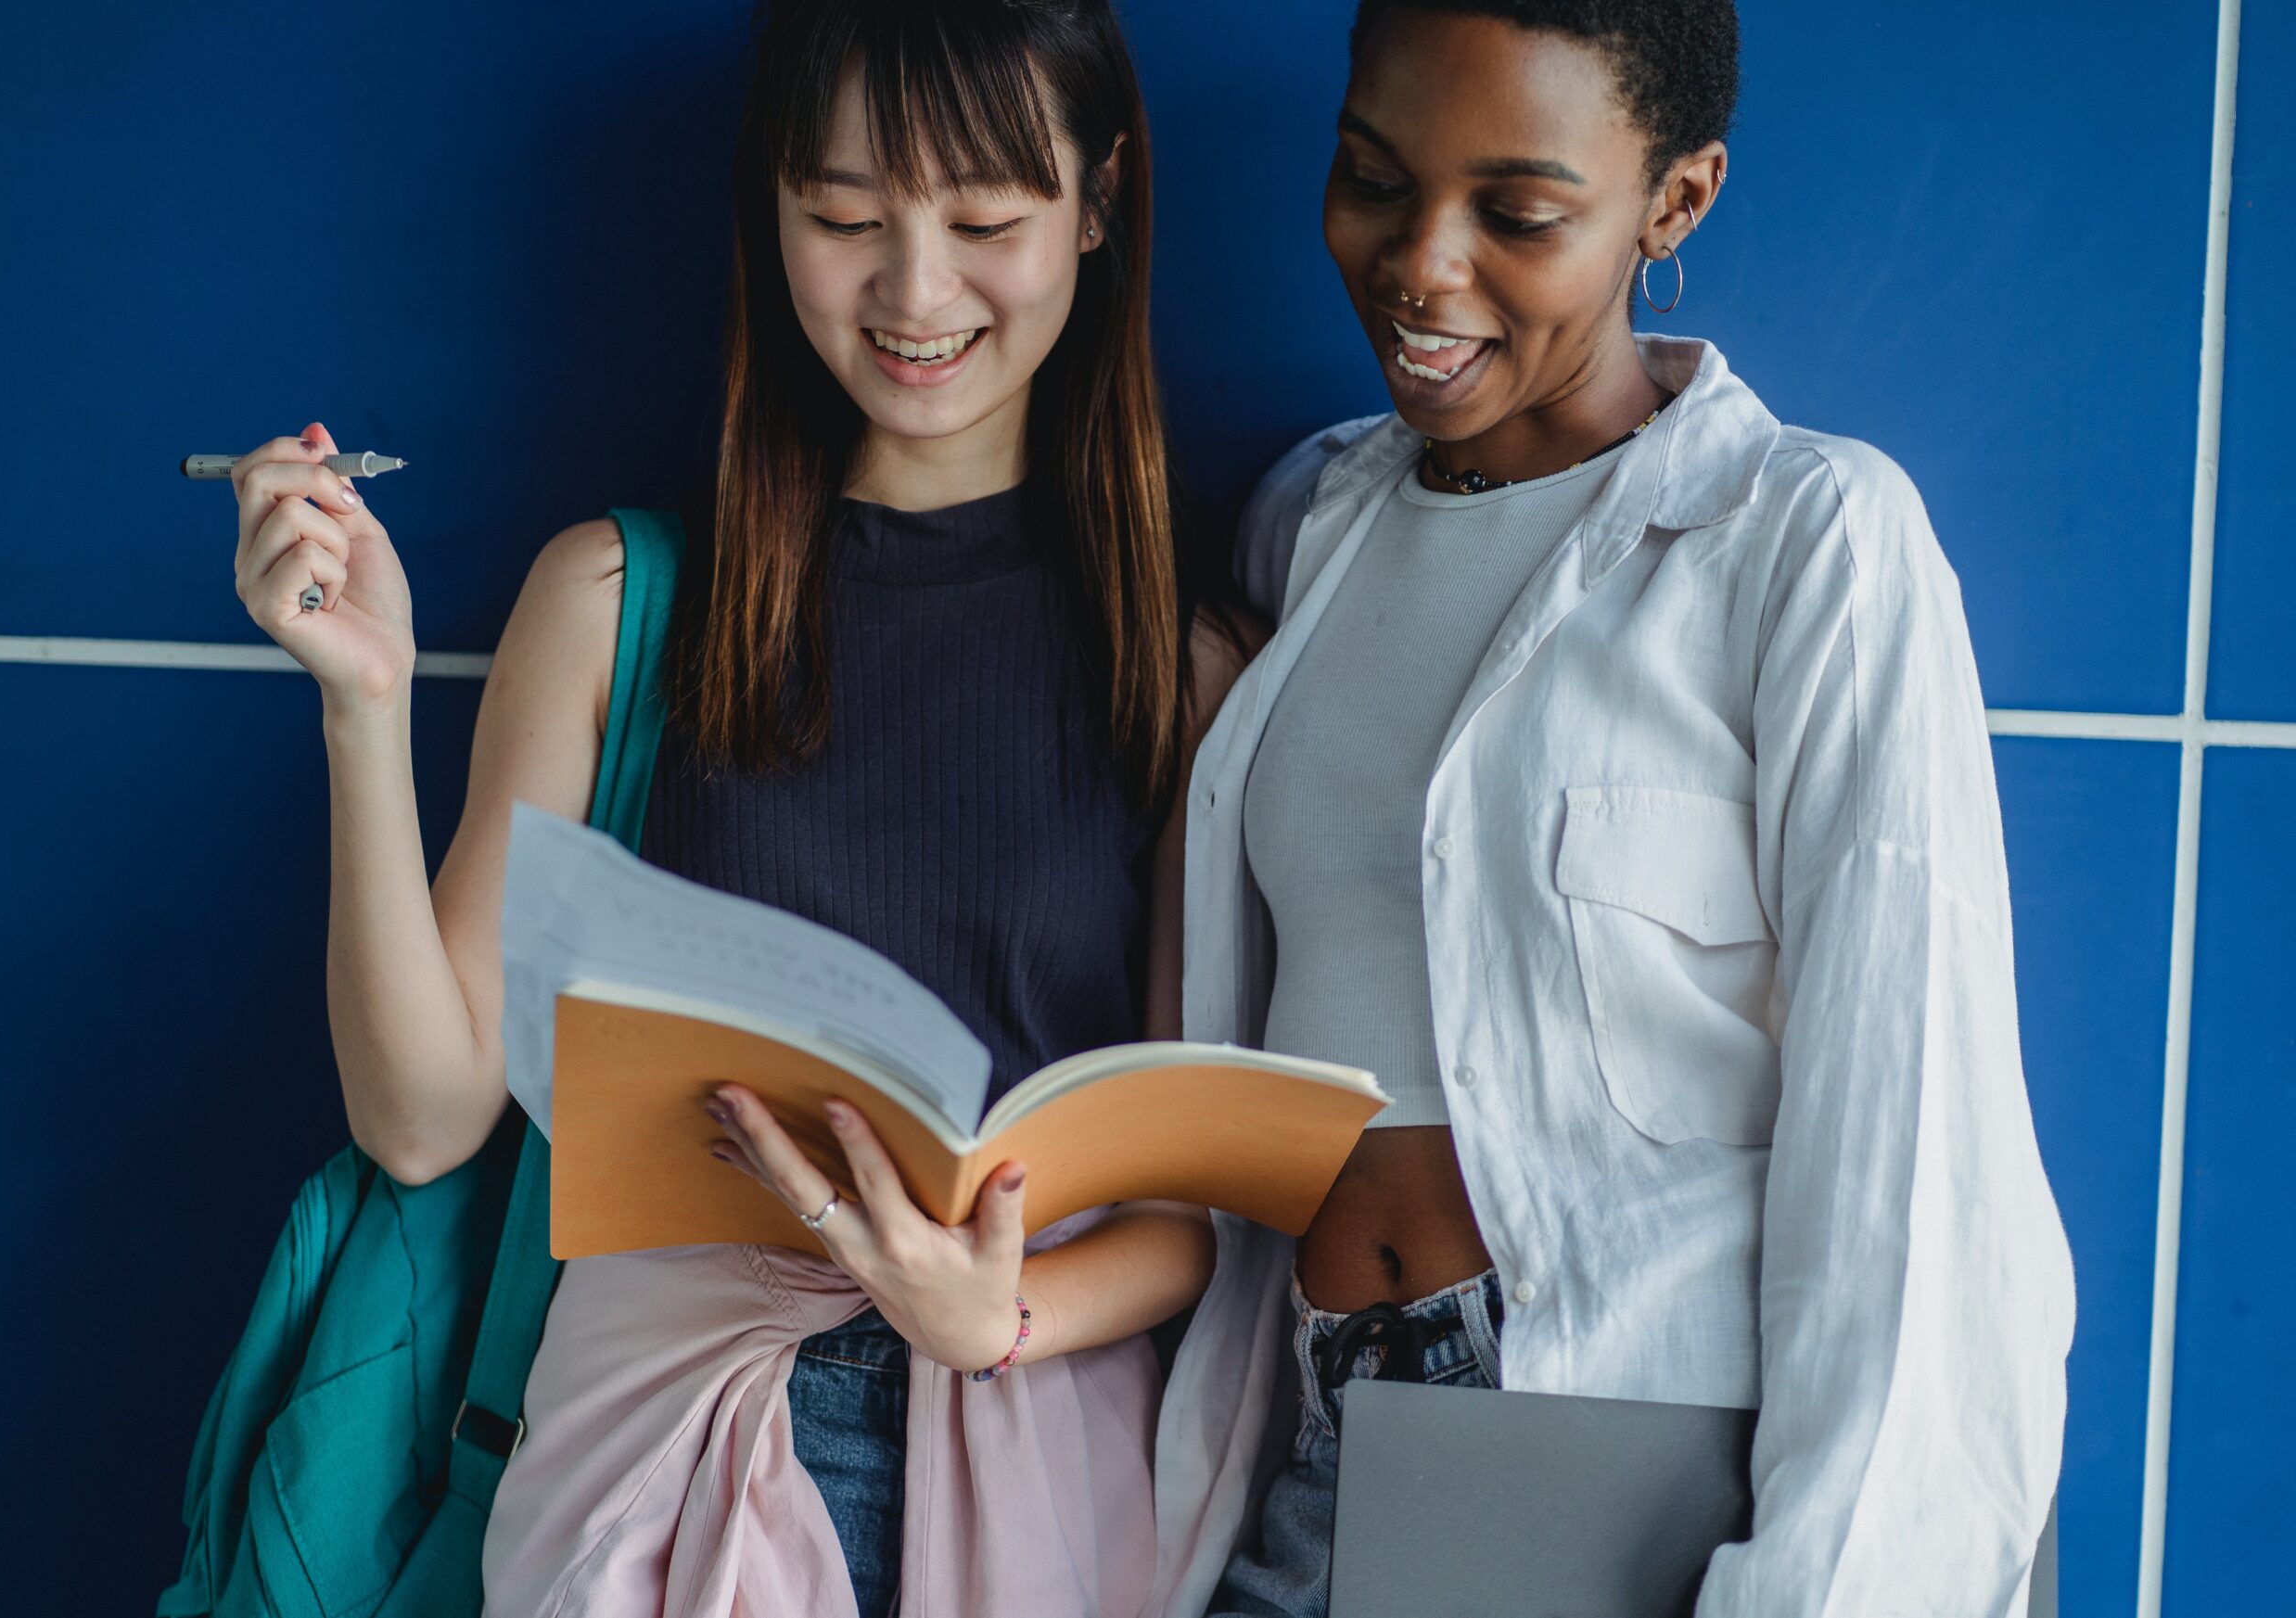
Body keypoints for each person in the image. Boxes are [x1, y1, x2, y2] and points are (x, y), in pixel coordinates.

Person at [223, 3, 1247, 1613]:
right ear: (772, 203)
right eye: (844, 216)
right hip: (663, 1443)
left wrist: (999, 1318)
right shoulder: (618, 599)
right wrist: (364, 704)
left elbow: (1191, 1214)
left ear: (1100, 203)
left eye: (985, 220)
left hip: (1039, 1455)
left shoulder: (1180, 670)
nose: (913, 292)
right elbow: (423, 1115)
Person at [1147, 4, 2076, 1615]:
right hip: (1312, 1447)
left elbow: (1918, 1189)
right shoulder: (1304, 523)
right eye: (1373, 177)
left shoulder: (1806, 547)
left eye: (1516, 214)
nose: (1422, 264)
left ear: (1675, 200)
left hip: (1630, 1479)